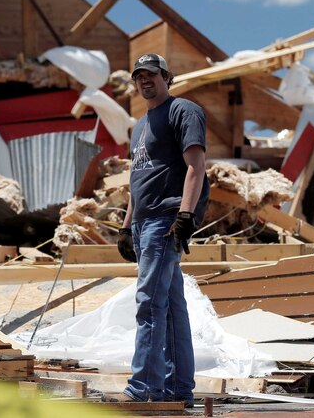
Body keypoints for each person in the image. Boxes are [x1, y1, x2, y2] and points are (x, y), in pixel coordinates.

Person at [113, 53, 210, 407]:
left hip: (164, 221)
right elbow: (137, 179)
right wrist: (126, 227)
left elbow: (196, 166)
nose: (144, 81)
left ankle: (144, 390)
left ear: (167, 76)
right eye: (139, 76)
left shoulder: (183, 111)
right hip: (143, 223)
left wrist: (184, 216)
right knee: (170, 308)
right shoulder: (140, 125)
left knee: (149, 304)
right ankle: (177, 390)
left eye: (151, 74)